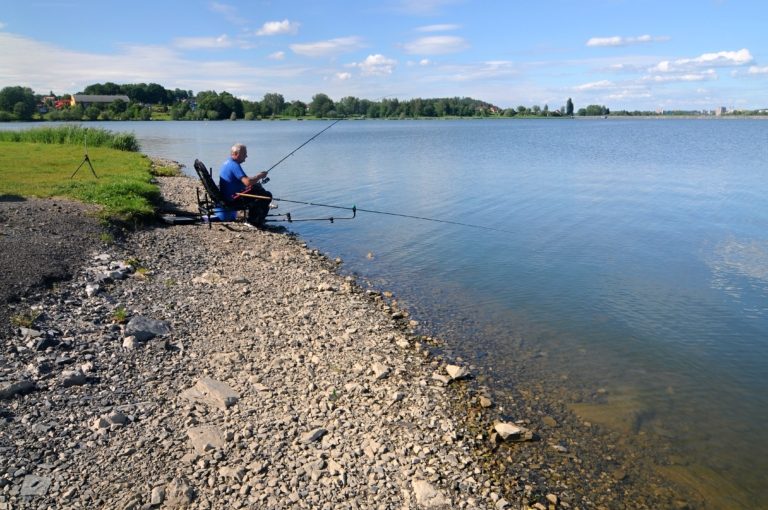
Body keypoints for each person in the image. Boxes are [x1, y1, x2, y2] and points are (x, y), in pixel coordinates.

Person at [218, 143, 273, 227]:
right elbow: (247, 182)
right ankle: (253, 222)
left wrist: (256, 179)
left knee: (256, 188)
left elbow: (244, 180)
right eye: (244, 154)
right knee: (267, 195)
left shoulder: (227, 162)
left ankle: (256, 217)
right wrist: (260, 176)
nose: (246, 156)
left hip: (228, 195)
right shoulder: (234, 165)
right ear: (236, 154)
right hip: (232, 199)